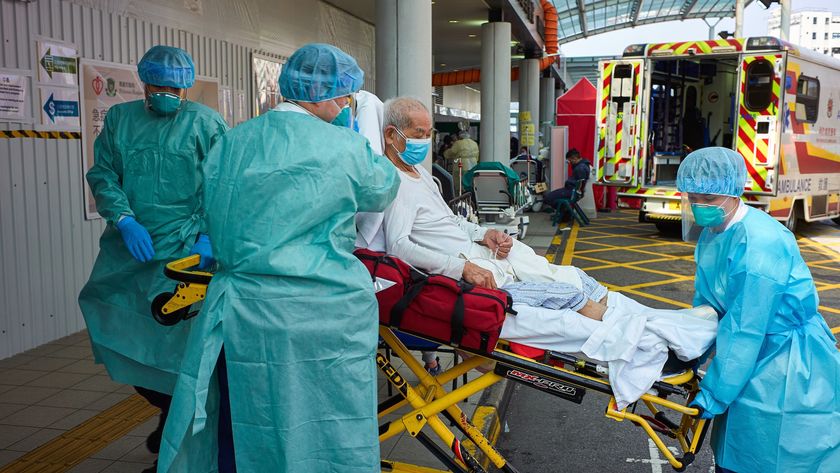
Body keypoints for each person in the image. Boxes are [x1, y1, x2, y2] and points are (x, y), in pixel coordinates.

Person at [369, 97, 719, 407]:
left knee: (578, 280)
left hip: (487, 260)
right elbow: (399, 245)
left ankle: (665, 325)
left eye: (428, 132)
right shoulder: (394, 183)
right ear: (391, 135)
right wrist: (460, 269)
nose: (425, 140)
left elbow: (451, 223)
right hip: (474, 281)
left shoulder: (421, 176)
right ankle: (654, 344)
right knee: (568, 296)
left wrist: (484, 233)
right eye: (418, 133)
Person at [156, 43, 400, 473]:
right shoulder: (344, 146)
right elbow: (382, 190)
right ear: (324, 95)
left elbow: (211, 204)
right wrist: (360, 144)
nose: (346, 106)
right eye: (345, 97)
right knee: (327, 422)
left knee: (247, 414)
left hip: (245, 311)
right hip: (324, 314)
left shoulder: (234, 141)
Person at [78, 45, 228, 472]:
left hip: (184, 255)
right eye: (159, 86)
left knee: (181, 350)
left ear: (187, 88)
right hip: (131, 253)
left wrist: (207, 235)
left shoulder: (206, 123)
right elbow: (104, 174)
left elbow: (221, 183)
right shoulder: (120, 120)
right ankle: (167, 409)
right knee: (117, 330)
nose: (167, 94)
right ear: (143, 83)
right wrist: (124, 219)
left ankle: (182, 441)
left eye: (175, 89)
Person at [676, 147, 840, 473]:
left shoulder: (760, 243)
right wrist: (688, 348)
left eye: (708, 197)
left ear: (732, 191)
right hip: (747, 353)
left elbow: (745, 327)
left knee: (777, 449)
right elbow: (707, 303)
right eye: (693, 197)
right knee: (742, 442)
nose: (699, 206)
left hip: (785, 358)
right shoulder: (715, 232)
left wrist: (715, 393)